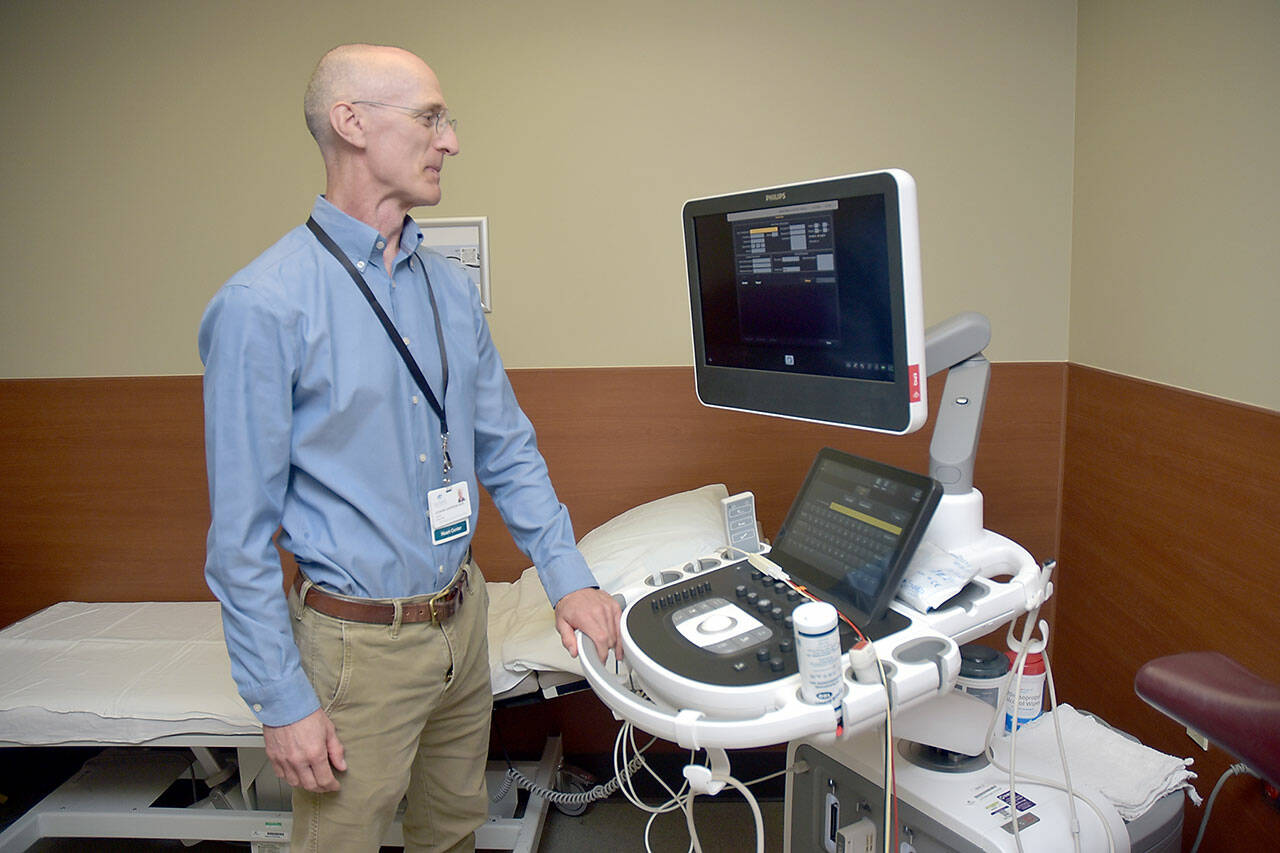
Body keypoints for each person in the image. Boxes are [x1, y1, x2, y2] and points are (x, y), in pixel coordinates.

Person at [198, 43, 622, 852]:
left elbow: (507, 448)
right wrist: (281, 698)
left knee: (454, 834)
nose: (451, 140)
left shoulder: (447, 288)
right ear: (350, 123)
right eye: (430, 117)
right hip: (357, 650)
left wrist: (568, 578)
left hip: (462, 624)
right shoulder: (263, 305)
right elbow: (239, 539)